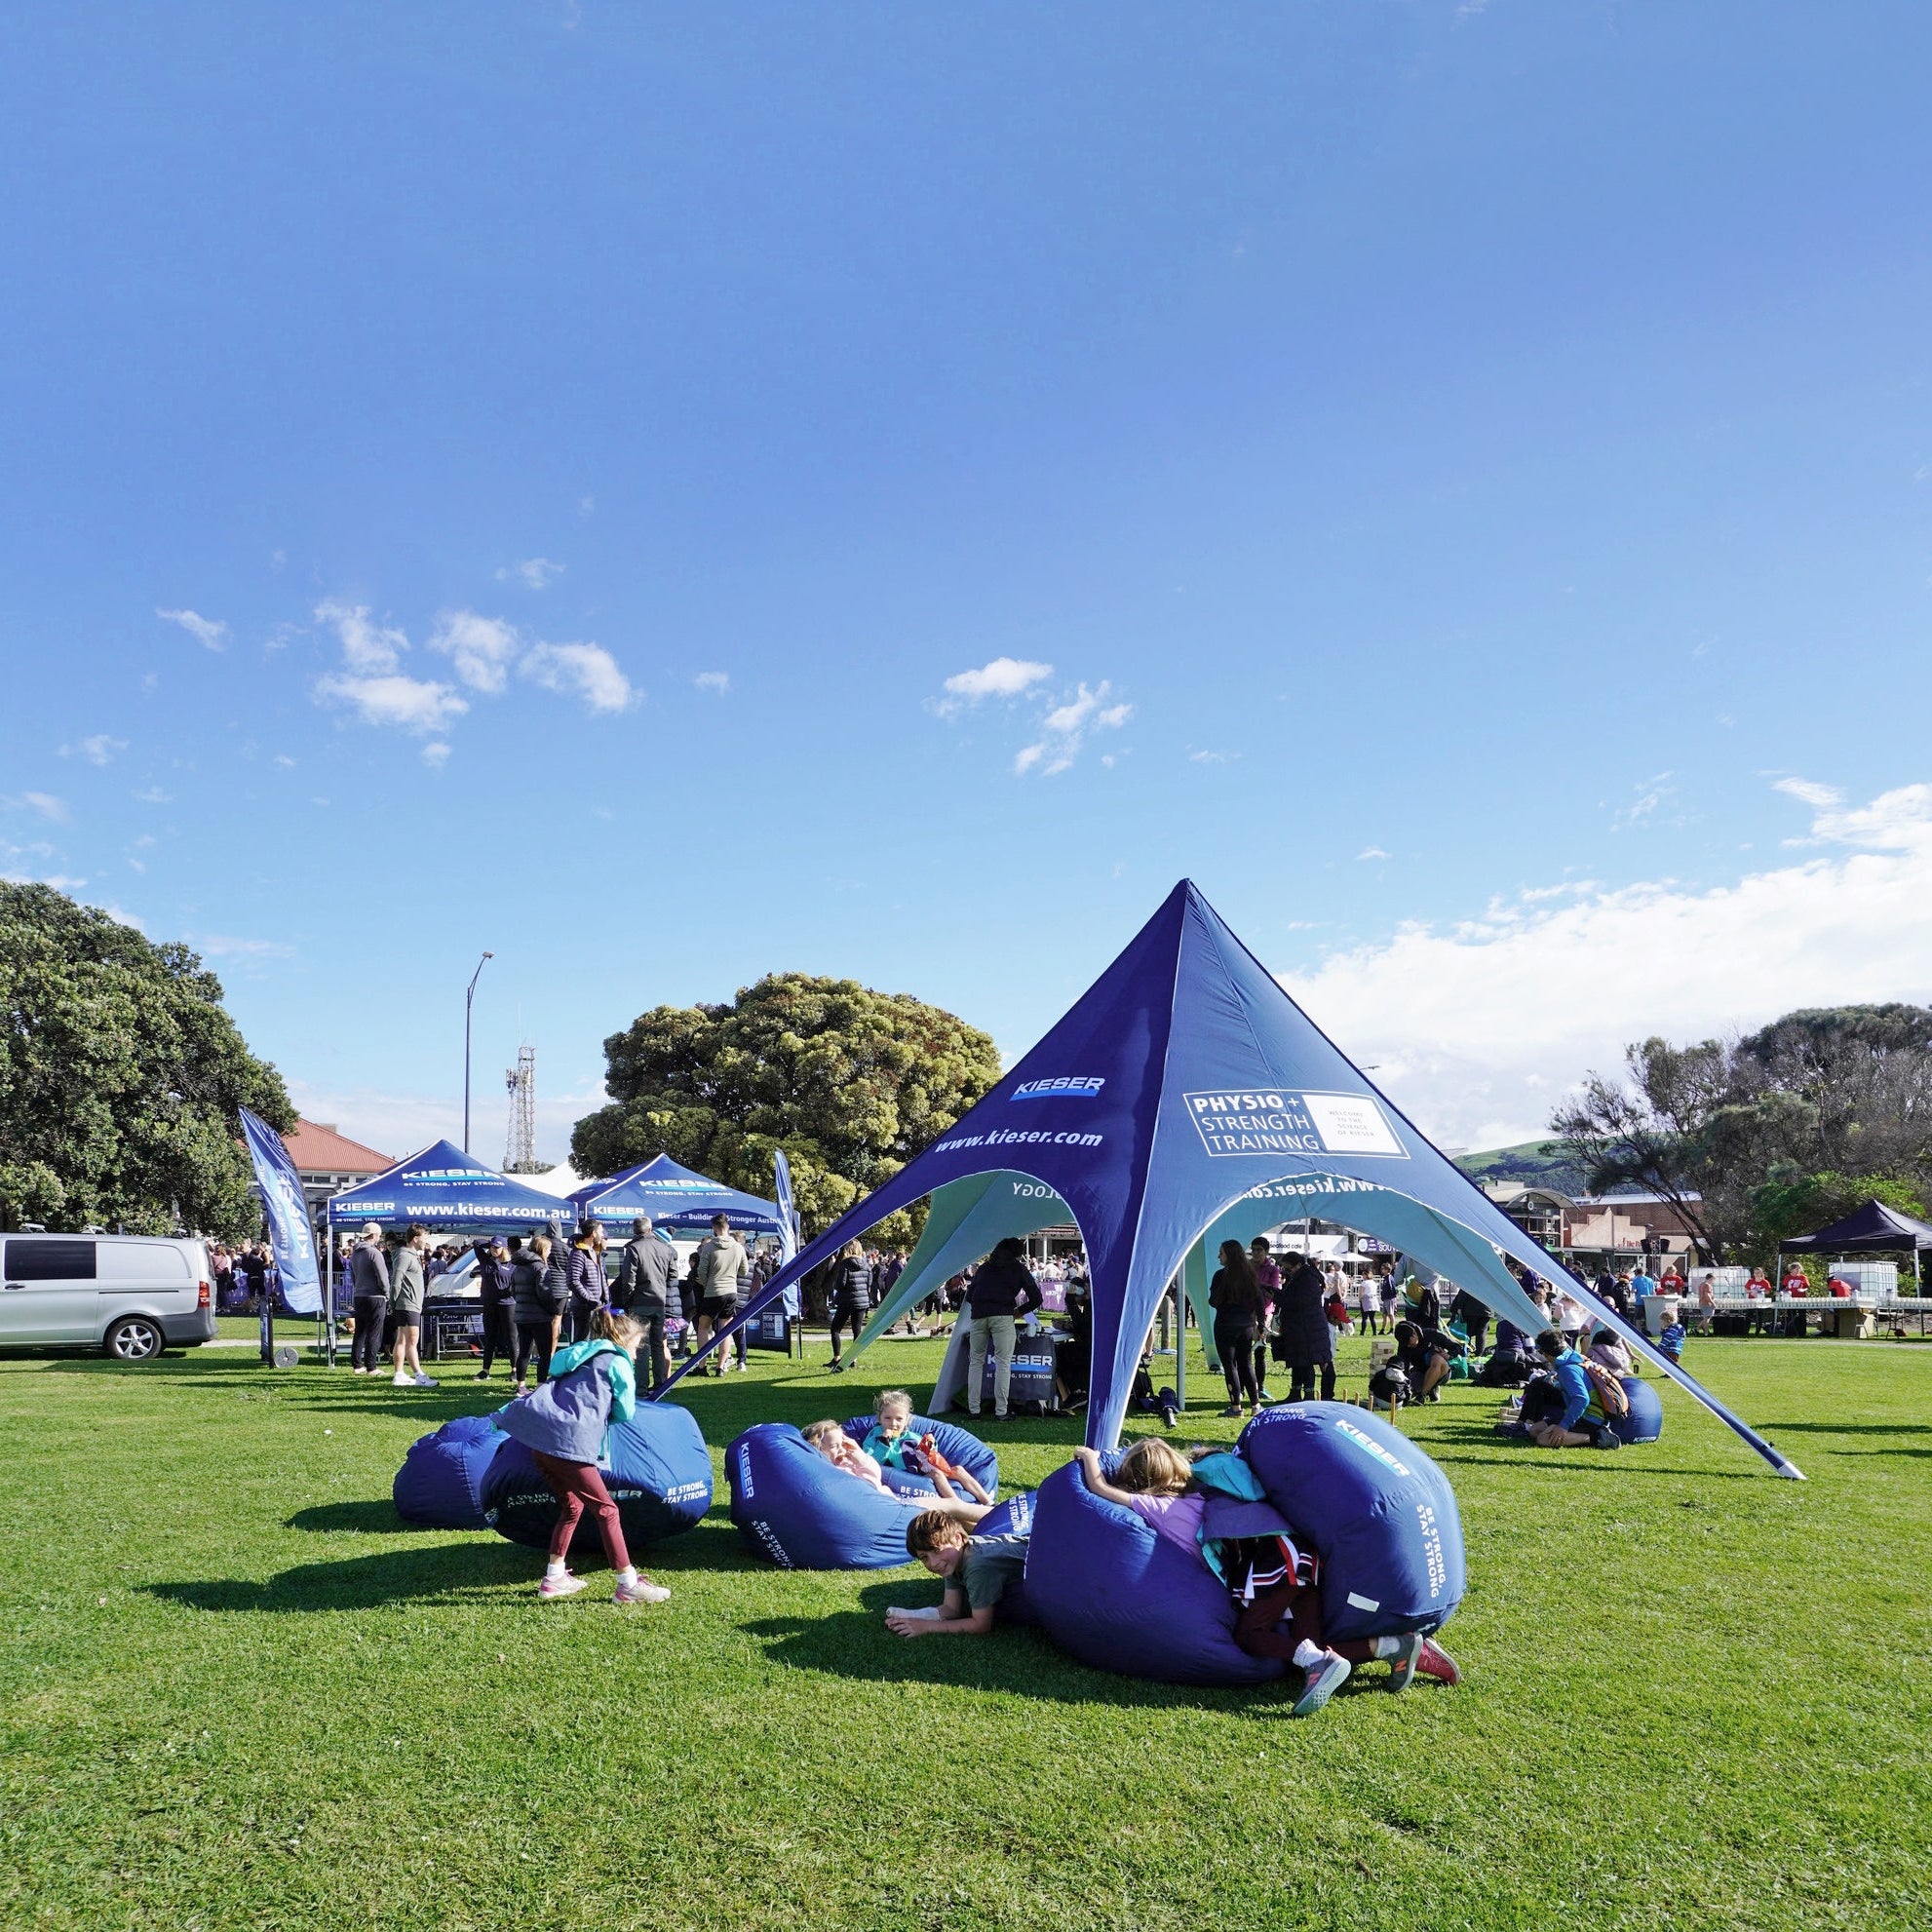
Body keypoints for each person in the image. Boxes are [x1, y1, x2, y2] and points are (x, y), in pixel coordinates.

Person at [1073, 1441, 1457, 1715]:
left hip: (1273, 1563)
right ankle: (1398, 1645)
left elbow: (1099, 1487)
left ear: (1141, 1482)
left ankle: (1316, 1664)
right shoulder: (1204, 1492)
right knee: (1316, 1640)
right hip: (1301, 1554)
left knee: (1249, 1635)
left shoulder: (1158, 1506)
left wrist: (1091, 1457)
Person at [496, 1308, 669, 1604]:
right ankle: (627, 1584)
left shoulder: (576, 1355)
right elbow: (626, 1411)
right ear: (621, 1340)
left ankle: (554, 1578)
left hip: (541, 1442)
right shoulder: (617, 1362)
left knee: (572, 1507)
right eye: (636, 1347)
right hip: (569, 1445)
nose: (637, 1354)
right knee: (608, 1510)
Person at [799, 1420, 988, 1524]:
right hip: (890, 1508)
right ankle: (998, 1516)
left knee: (954, 1519)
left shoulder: (847, 1461)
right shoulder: (832, 1472)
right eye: (833, 1446)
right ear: (817, 1448)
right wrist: (860, 1460)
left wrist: (857, 1455)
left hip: (891, 1502)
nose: (841, 1450)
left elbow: (875, 1474)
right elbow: (869, 1487)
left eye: (843, 1444)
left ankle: (990, 1530)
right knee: (952, 1506)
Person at [884, 1508, 1029, 1638]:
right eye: (924, 1557)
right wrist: (913, 1617)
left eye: (937, 1550)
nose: (933, 1563)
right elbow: (951, 1609)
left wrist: (927, 1627)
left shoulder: (977, 1565)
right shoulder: (954, 1558)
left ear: (957, 1539)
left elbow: (981, 1625)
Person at [859, 1389, 993, 1503]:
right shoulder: (875, 1436)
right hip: (904, 1476)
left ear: (907, 1419)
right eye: (887, 1418)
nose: (893, 1424)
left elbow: (929, 1457)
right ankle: (957, 1505)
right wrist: (884, 1443)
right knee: (937, 1474)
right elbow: (871, 1463)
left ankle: (988, 1502)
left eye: (899, 1419)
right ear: (879, 1418)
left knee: (958, 1469)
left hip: (920, 1471)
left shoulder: (912, 1436)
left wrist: (930, 1448)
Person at [962, 1236, 1042, 1421]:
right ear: (1017, 1254)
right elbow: (1037, 1298)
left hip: (979, 1315)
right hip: (1003, 1315)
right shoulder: (1018, 1269)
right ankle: (1001, 1411)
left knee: (975, 1362)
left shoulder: (983, 1268)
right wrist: (1018, 1312)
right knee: (1003, 1364)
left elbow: (969, 1297)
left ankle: (973, 1410)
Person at [1526, 1330, 1621, 1449]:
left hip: (1590, 1418)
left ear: (1546, 1354)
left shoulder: (1567, 1369)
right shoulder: (1573, 1358)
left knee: (1542, 1439)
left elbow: (1582, 1399)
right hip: (1581, 1413)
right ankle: (1570, 1432)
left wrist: (1563, 1426)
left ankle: (1598, 1437)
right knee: (1535, 1430)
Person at [615, 1216, 676, 1392]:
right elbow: (673, 1275)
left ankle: (641, 1386)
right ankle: (660, 1383)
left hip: (640, 1302)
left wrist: (628, 1300)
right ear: (650, 1229)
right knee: (658, 1344)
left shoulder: (634, 1248)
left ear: (635, 1230)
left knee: (640, 1345)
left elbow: (628, 1279)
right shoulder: (664, 1248)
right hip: (659, 1301)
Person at [1209, 1239, 1265, 1416]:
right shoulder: (1250, 1275)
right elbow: (1260, 1303)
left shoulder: (1220, 1276)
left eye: (1222, 1253)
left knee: (1230, 1366)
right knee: (1246, 1363)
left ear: (1229, 1255)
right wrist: (1261, 1325)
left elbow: (1213, 1302)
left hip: (1225, 1325)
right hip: (1246, 1326)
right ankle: (1256, 1405)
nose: (1219, 1255)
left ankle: (1236, 1407)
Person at [1273, 1250, 1334, 1406]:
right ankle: (1295, 1392)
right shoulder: (1298, 1277)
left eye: (1288, 1268)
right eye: (1284, 1268)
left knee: (1306, 1362)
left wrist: (1277, 1297)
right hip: (1300, 1326)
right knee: (1297, 1362)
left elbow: (1300, 1302)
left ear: (1299, 1265)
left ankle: (1308, 1395)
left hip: (1309, 1328)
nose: (1286, 1271)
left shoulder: (1308, 1279)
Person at [693, 1214, 749, 1373]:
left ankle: (701, 1366)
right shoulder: (738, 1247)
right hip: (731, 1292)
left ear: (714, 1228)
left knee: (703, 1327)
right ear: (728, 1226)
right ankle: (720, 1367)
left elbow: (701, 1271)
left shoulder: (709, 1247)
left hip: (712, 1291)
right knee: (725, 1330)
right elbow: (744, 1271)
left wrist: (706, 1283)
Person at [511, 1231, 564, 1393]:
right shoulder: (540, 1267)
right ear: (542, 1249)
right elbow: (544, 1292)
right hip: (539, 1317)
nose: (549, 1253)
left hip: (521, 1315)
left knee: (524, 1353)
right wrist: (554, 1310)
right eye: (548, 1249)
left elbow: (513, 1291)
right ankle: (541, 1386)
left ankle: (521, 1386)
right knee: (545, 1353)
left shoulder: (518, 1267)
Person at [387, 1225, 436, 1388]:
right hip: (407, 1304)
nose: (426, 1241)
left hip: (410, 1304)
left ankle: (399, 1374)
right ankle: (419, 1375)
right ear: (415, 1238)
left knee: (402, 1338)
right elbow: (396, 1282)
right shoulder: (404, 1255)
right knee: (411, 1341)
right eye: (424, 1237)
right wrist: (392, 1303)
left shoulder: (410, 1255)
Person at [348, 1221, 391, 1375]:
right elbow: (383, 1277)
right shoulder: (374, 1253)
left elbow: (353, 1275)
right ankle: (371, 1366)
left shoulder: (355, 1253)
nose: (379, 1238)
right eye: (379, 1235)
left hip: (359, 1295)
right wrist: (387, 1294)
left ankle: (357, 1365)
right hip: (375, 1296)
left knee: (360, 1331)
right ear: (373, 1235)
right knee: (374, 1332)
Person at [825, 1237, 873, 1372]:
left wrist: (835, 1284)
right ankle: (854, 1358)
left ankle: (837, 1357)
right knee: (856, 1330)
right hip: (862, 1301)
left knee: (835, 1329)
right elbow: (869, 1284)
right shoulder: (866, 1265)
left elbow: (841, 1284)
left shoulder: (845, 1264)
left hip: (847, 1301)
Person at [473, 1236, 516, 1381]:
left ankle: (514, 1370)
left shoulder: (512, 1265)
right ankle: (485, 1370)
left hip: (507, 1305)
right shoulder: (486, 1260)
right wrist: (490, 1243)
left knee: (511, 1339)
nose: (494, 1250)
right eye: (492, 1247)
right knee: (490, 1338)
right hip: (490, 1304)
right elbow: (477, 1243)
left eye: (497, 1247)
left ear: (504, 1248)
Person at [1386, 1319, 1452, 1406]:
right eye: (1405, 1344)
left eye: (1408, 1342)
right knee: (1404, 1396)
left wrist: (1448, 1355)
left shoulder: (1433, 1334)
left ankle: (1422, 1395)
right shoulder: (1404, 1346)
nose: (1408, 1346)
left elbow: (1459, 1348)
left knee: (1437, 1358)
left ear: (1414, 1334)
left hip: (1443, 1371)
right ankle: (1430, 1389)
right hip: (1419, 1373)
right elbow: (1404, 1368)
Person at [1250, 1238, 1281, 1403]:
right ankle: (1244, 1386)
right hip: (1246, 1312)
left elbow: (1272, 1292)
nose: (1256, 1253)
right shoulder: (1246, 1266)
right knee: (1243, 1351)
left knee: (1260, 1351)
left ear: (1266, 1251)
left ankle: (1260, 1387)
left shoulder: (1272, 1270)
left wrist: (1256, 1286)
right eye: (1254, 1249)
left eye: (1259, 1250)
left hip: (1264, 1313)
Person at [565, 1222, 607, 1345]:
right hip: (584, 1307)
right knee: (582, 1343)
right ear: (593, 1234)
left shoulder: (594, 1251)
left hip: (598, 1305)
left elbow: (601, 1278)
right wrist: (588, 1299)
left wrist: (605, 1299)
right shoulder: (579, 1253)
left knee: (596, 1343)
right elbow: (572, 1280)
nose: (602, 1234)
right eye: (600, 1231)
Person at [1448, 1286, 1489, 1358]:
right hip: (1486, 1309)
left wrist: (1459, 1307)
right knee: (1481, 1333)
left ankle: (1465, 1351)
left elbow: (1463, 1293)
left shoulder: (1470, 1279)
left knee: (1468, 1333)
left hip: (1470, 1309)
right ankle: (1479, 1353)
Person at [1356, 1268, 1382, 1337]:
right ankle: (1374, 1332)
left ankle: (1362, 1332)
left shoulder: (1364, 1282)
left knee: (1364, 1318)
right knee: (1372, 1318)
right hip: (1373, 1300)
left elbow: (1361, 1292)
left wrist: (1360, 1300)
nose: (1362, 1276)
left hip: (1366, 1300)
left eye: (1363, 1274)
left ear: (1366, 1275)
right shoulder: (1373, 1282)